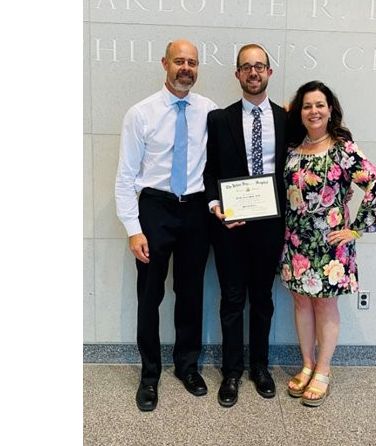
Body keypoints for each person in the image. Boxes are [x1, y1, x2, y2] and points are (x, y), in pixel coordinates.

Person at [115, 39, 217, 412]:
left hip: (195, 211)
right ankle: (149, 375)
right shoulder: (140, 114)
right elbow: (126, 177)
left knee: (191, 292)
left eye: (192, 62)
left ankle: (187, 366)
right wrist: (133, 228)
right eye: (179, 61)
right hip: (154, 210)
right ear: (164, 64)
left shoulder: (209, 111)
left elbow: (219, 165)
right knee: (150, 295)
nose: (185, 67)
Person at [280, 80, 376, 407]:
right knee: (301, 303)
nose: (313, 111)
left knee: (325, 305)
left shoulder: (344, 149)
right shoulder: (292, 148)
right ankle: (306, 364)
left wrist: (355, 229)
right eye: (307, 106)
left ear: (330, 110)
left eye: (320, 105)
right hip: (296, 241)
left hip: (330, 244)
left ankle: (324, 370)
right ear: (299, 113)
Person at [203, 44, 287, 407]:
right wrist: (215, 205)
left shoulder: (288, 119)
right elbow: (208, 172)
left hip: (270, 224)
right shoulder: (219, 119)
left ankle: (260, 367)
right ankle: (232, 372)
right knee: (233, 299)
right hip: (231, 226)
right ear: (237, 74)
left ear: (270, 72)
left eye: (260, 66)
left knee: (264, 298)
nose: (253, 73)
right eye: (246, 67)